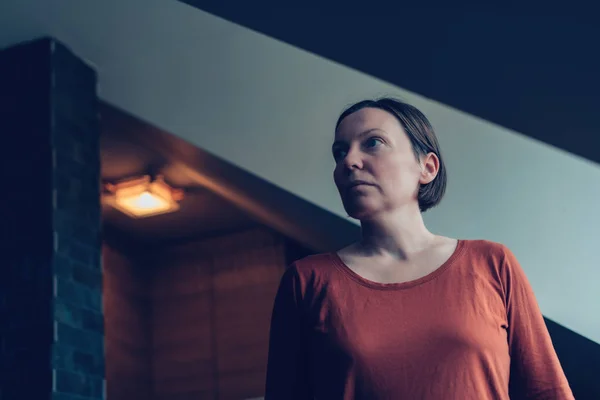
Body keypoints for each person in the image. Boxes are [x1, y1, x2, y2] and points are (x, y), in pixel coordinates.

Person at [264, 98, 573, 399]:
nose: (348, 161)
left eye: (372, 143)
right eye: (339, 152)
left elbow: (546, 391)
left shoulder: (492, 262)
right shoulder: (306, 281)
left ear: (427, 167)